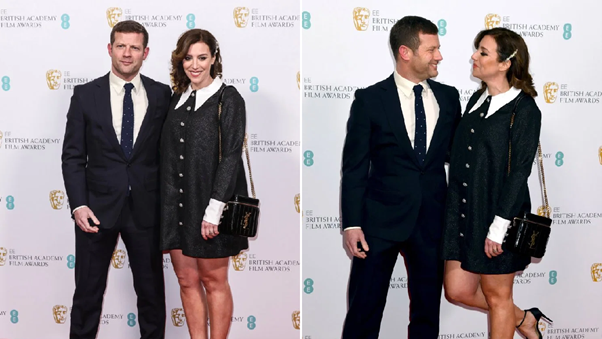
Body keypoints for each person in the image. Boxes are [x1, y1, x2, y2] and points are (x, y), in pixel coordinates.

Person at [340, 16, 462, 339]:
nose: (439, 56)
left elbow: (459, 158)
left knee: (426, 316)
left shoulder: (449, 98)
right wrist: (351, 224)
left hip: (432, 224)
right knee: (364, 313)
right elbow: (354, 167)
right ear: (405, 52)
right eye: (432, 49)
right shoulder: (369, 100)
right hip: (378, 225)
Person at [61, 20, 170, 339]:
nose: (127, 53)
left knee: (152, 298)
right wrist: (79, 205)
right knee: (87, 296)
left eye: (135, 47)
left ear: (145, 52)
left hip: (146, 211)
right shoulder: (84, 95)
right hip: (95, 211)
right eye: (121, 46)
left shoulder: (163, 95)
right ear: (110, 49)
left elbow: (169, 156)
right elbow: (72, 156)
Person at [442, 27, 552, 339]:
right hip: (464, 212)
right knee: (457, 290)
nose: (473, 57)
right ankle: (525, 319)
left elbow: (519, 172)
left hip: (499, 213)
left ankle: (516, 317)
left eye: (483, 52)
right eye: (477, 50)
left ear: (505, 63)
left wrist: (498, 227)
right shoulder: (477, 99)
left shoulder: (524, 109)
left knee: (497, 296)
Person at [159, 28, 248, 339]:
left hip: (210, 205)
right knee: (186, 279)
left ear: (214, 59)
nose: (194, 64)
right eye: (188, 58)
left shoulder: (228, 98)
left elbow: (231, 157)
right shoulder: (176, 98)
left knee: (214, 281)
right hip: (175, 204)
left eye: (201, 57)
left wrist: (214, 211)